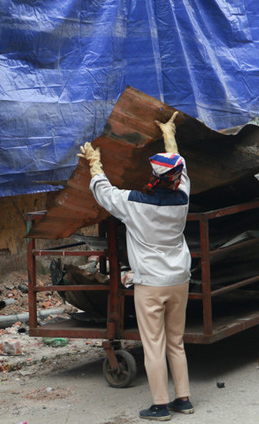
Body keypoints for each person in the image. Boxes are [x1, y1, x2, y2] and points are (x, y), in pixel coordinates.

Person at [78, 113, 193, 422]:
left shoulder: (133, 202)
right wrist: (169, 135)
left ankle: (159, 406)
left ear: (153, 175)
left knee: (153, 346)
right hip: (179, 278)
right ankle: (183, 400)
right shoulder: (182, 196)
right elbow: (179, 164)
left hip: (151, 284)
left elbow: (103, 192)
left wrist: (94, 162)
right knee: (175, 342)